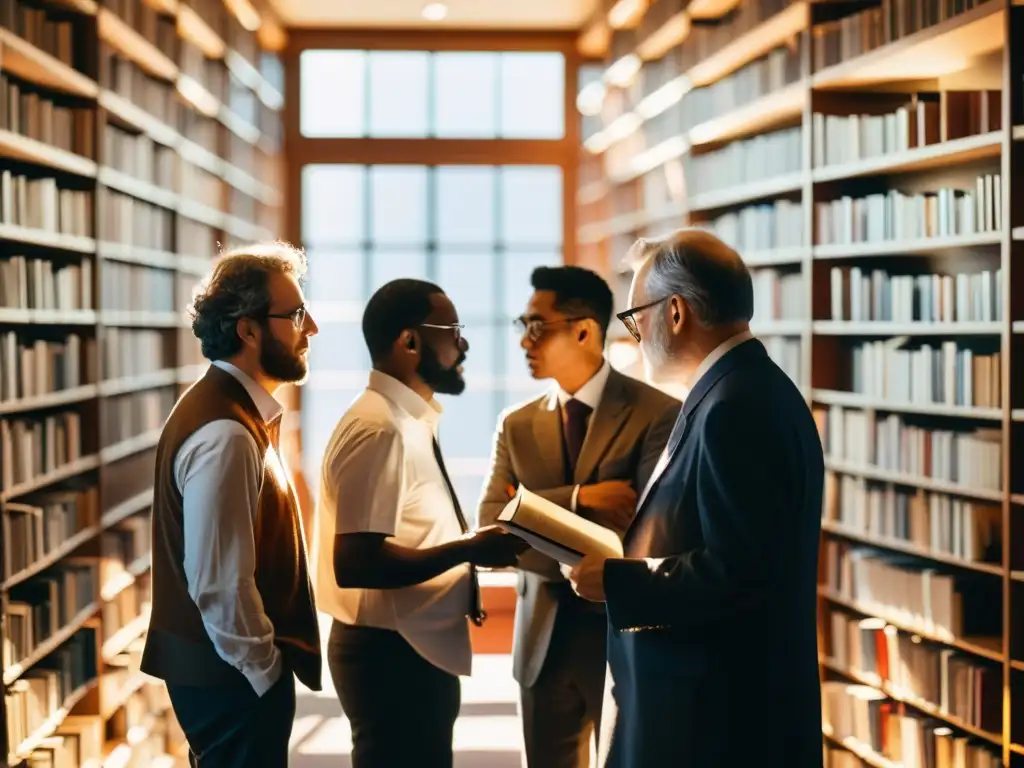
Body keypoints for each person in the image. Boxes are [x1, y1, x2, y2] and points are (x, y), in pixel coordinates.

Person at [568, 228, 825, 767]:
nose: (635, 336)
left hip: (716, 725)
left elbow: (739, 571)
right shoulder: (745, 387)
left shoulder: (735, 406)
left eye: (637, 317)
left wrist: (616, 579)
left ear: (677, 312)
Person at [309, 278, 526, 768]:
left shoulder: (403, 421)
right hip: (392, 656)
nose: (463, 343)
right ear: (410, 342)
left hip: (408, 649)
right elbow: (358, 563)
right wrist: (469, 550)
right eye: (452, 330)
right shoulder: (379, 428)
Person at [478, 266, 679, 768]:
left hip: (622, 631)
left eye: (536, 325)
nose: (525, 340)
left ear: (585, 330)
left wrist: (530, 504)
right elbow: (489, 521)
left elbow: (648, 533)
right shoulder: (516, 424)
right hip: (540, 639)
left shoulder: (658, 413)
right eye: (521, 324)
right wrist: (583, 497)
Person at [140, 243, 321, 767]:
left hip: (226, 675)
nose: (311, 331)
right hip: (232, 679)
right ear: (249, 330)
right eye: (297, 316)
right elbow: (218, 582)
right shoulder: (225, 432)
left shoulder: (229, 411)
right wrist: (264, 671)